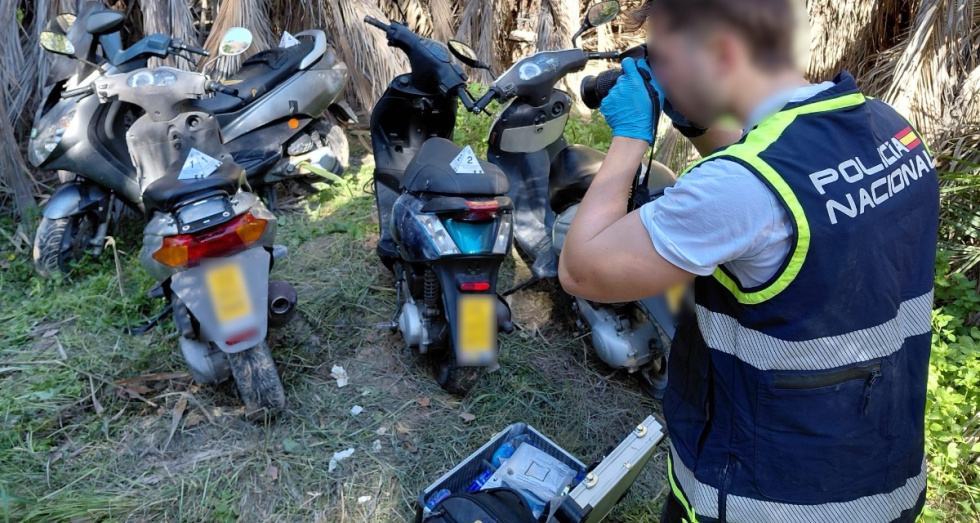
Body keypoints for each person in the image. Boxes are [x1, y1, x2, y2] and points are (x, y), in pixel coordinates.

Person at [557, 0, 938, 521]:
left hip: (770, 500)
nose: (657, 70)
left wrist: (629, 138)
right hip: (879, 477)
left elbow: (582, 270)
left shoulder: (742, 189)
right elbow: (764, 194)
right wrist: (696, 124)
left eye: (662, 57)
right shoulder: (889, 129)